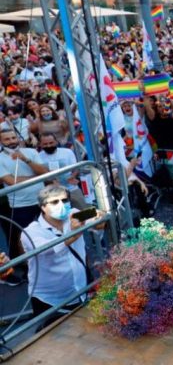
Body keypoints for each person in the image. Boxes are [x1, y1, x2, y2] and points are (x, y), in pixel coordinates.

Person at [21, 185, 103, 329]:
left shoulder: (74, 214)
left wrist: (99, 216)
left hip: (80, 290)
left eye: (65, 200)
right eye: (54, 202)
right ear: (42, 207)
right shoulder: (30, 232)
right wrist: (74, 232)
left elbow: (99, 220)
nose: (61, 205)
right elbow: (49, 249)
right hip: (49, 300)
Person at [0, 129, 48, 270]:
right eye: (7, 139)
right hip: (20, 205)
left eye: (13, 137)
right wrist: (36, 177)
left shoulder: (31, 152)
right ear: (1, 142)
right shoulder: (0, 158)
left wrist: (25, 159)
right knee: (23, 238)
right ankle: (30, 268)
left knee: (49, 232)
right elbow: (11, 181)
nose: (12, 141)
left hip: (42, 200)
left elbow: (44, 172)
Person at [38, 133, 86, 209]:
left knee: (84, 212)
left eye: (51, 143)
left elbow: (76, 168)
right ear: (40, 144)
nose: (49, 146)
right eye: (45, 144)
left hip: (72, 189)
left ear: (56, 142)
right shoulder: (38, 156)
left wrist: (72, 176)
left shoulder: (67, 152)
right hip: (51, 194)